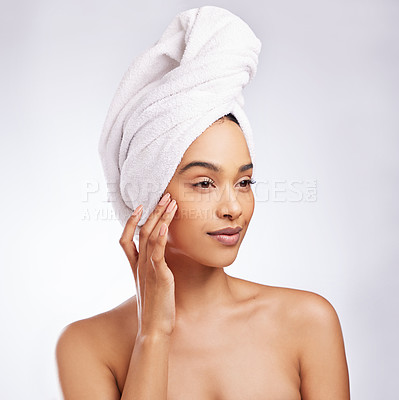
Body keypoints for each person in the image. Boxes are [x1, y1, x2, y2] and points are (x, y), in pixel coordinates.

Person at [56, 6, 350, 399]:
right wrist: (153, 335)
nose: (234, 207)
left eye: (244, 181)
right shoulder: (87, 346)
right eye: (205, 183)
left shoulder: (308, 322)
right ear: (149, 194)